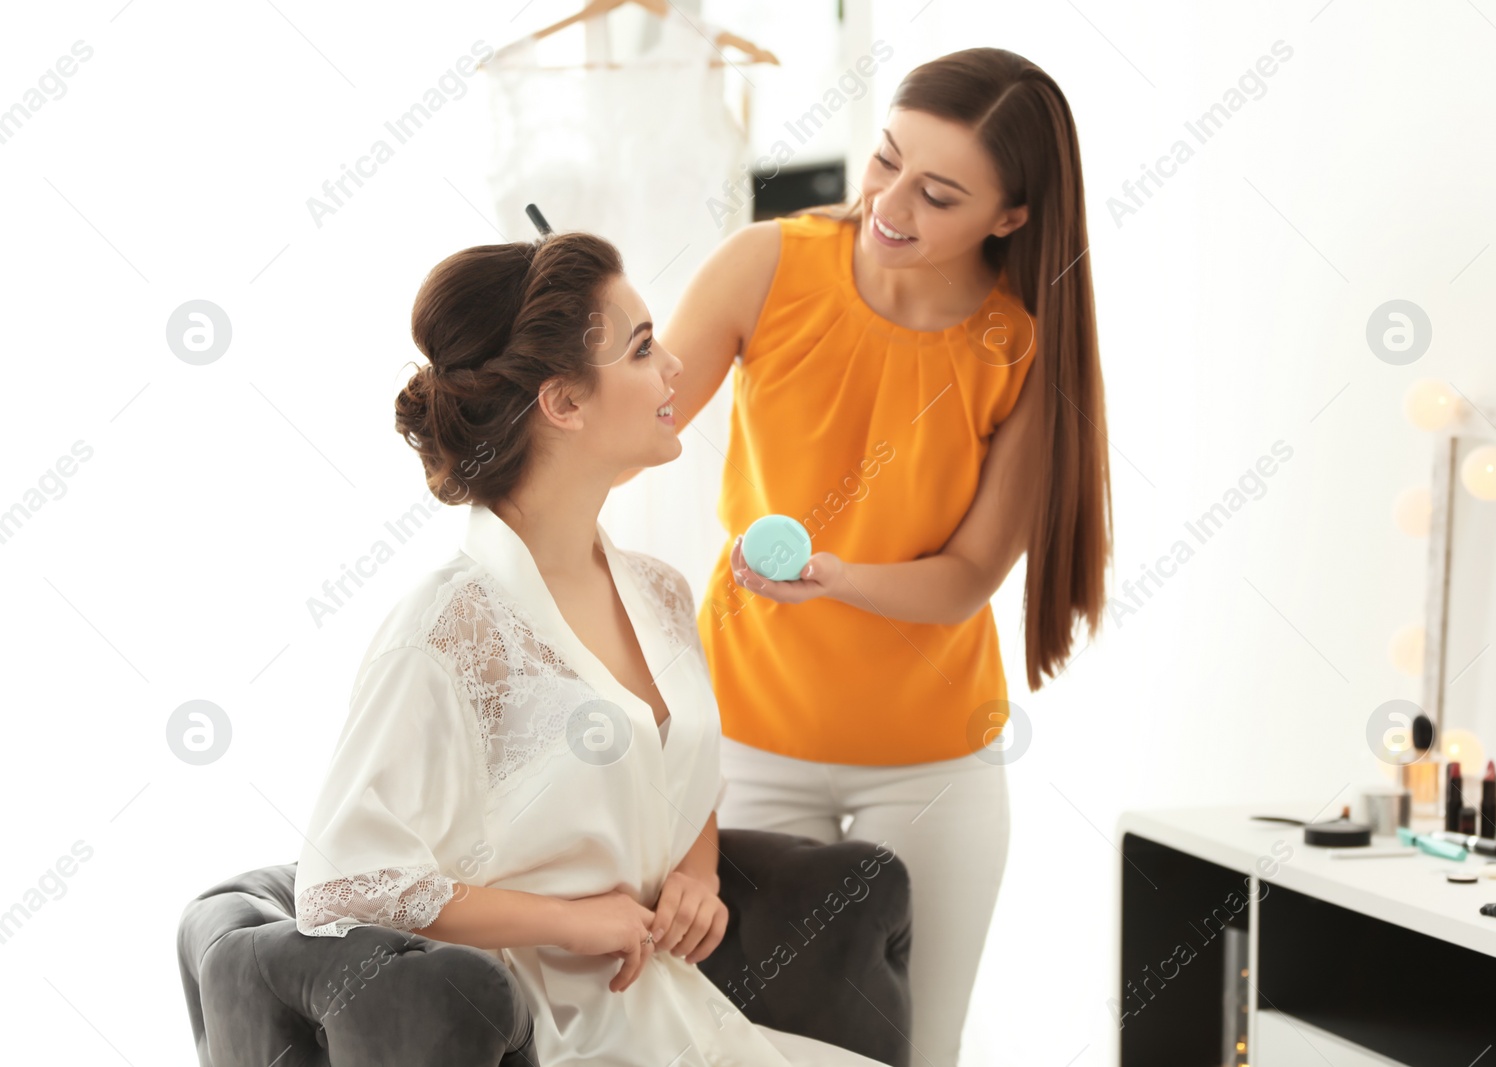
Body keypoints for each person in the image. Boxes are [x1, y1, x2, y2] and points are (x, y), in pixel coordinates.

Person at [293, 233, 891, 1067]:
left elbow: (678, 773)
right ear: (564, 403)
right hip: (544, 1028)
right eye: (644, 347)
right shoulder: (450, 626)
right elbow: (343, 879)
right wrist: (569, 919)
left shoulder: (660, 592)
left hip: (673, 1007)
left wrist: (696, 872)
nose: (677, 366)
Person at [645, 47, 1113, 1065]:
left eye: (937, 194)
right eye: (885, 162)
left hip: (933, 757)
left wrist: (833, 576)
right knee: (745, 1045)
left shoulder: (1017, 345)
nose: (891, 204)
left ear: (1010, 217)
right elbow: (648, 413)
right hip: (751, 737)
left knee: (919, 1047)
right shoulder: (766, 263)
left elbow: (965, 580)